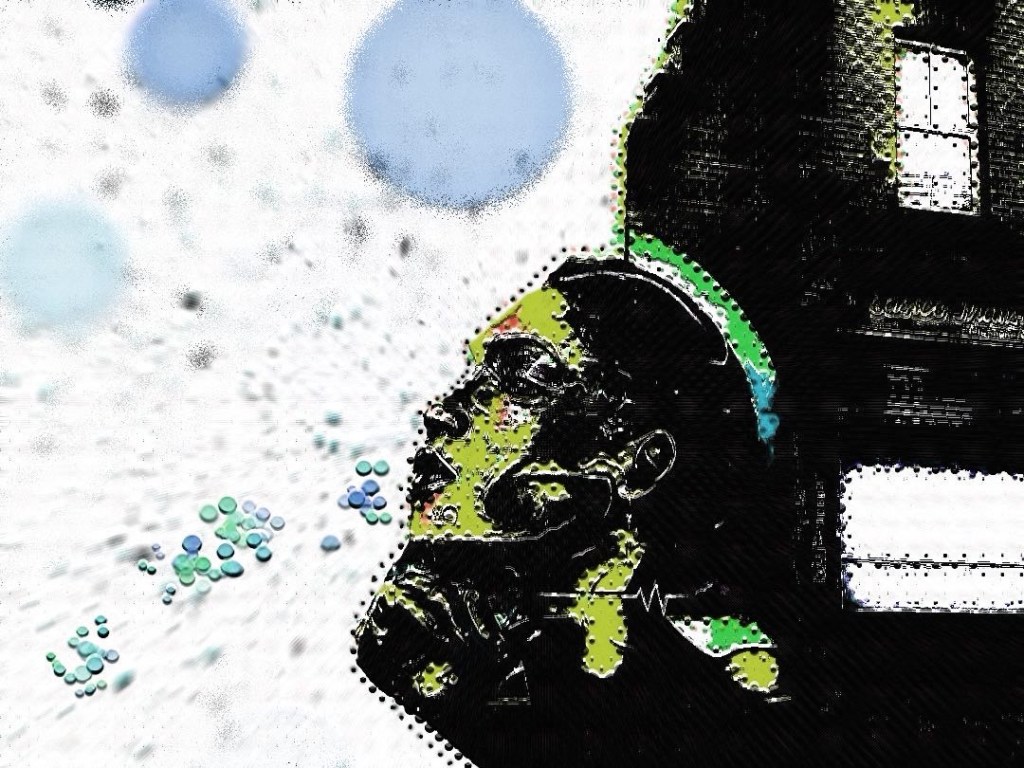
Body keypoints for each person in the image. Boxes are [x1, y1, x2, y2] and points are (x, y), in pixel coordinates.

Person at [355, 253, 798, 767]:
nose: (442, 410)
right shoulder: (417, 649)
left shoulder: (710, 732)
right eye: (476, 373)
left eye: (524, 377)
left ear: (640, 463)